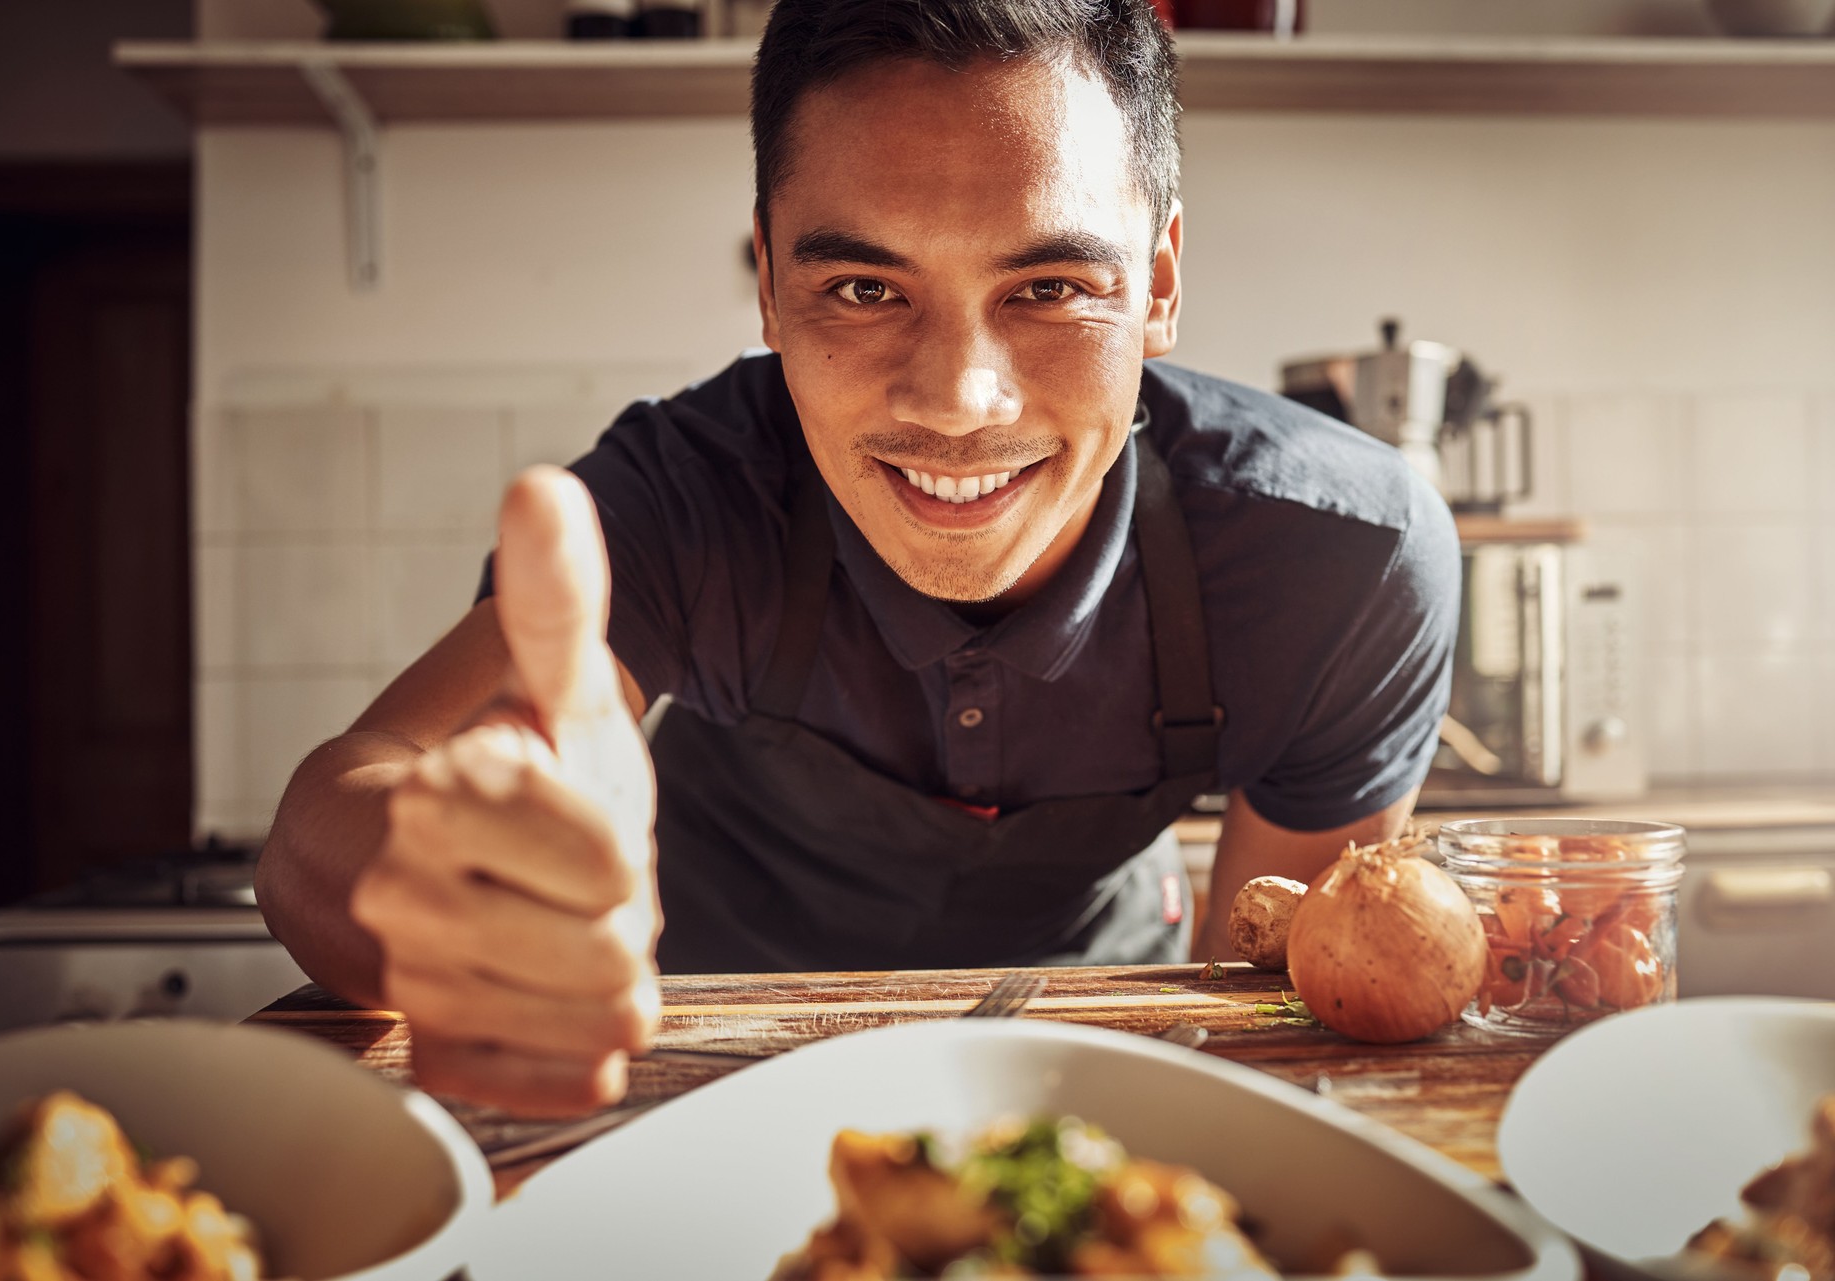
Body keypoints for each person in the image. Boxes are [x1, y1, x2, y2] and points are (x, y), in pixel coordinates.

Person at [255, 0, 1461, 1117]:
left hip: (1089, 1055)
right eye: (864, 285)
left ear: (1155, 282)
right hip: (694, 1061)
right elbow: (329, 816)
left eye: (1048, 284)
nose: (958, 401)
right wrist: (466, 911)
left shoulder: (1338, 564)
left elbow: (1270, 998)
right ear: (772, 290)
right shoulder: (683, 500)